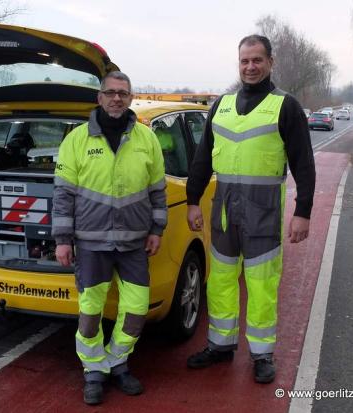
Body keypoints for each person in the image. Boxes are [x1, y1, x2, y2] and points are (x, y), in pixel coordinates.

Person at [185, 35, 316, 384]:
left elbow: (304, 163)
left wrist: (303, 211)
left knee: (261, 285)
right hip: (225, 212)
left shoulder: (285, 106)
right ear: (238, 63)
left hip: (264, 214)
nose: (250, 66)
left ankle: (261, 354)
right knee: (221, 282)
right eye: (244, 61)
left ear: (270, 62)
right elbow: (201, 159)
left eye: (257, 60)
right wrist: (192, 200)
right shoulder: (221, 105)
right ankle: (220, 346)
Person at [52, 71, 167, 405]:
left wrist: (157, 230)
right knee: (90, 312)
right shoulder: (76, 140)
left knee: (136, 309)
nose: (117, 98)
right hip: (90, 243)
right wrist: (62, 239)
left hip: (134, 243)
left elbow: (158, 191)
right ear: (99, 97)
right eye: (111, 92)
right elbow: (63, 195)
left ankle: (117, 361)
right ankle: (93, 370)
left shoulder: (147, 139)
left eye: (123, 93)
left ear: (131, 98)